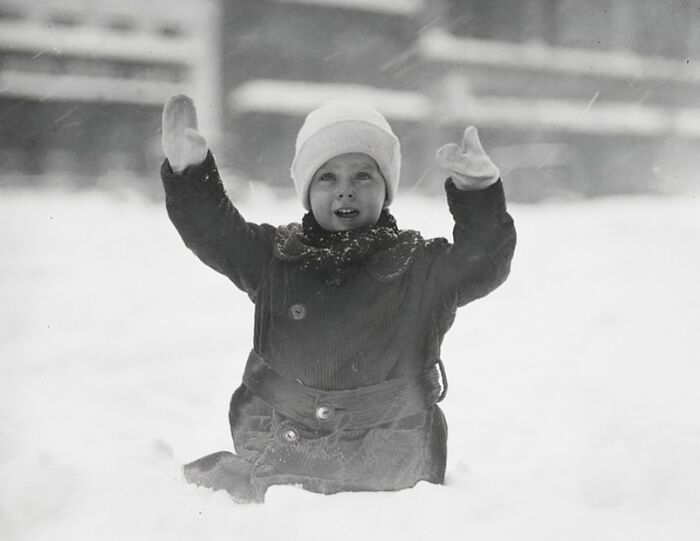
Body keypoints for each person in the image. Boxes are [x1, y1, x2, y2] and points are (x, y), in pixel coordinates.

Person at [160, 95, 516, 503]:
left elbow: (484, 261)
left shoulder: (420, 267)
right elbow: (215, 232)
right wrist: (189, 174)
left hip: (392, 458)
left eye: (363, 176)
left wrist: (479, 194)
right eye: (327, 177)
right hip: (279, 443)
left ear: (387, 190)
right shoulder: (275, 257)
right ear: (306, 190)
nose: (345, 191)